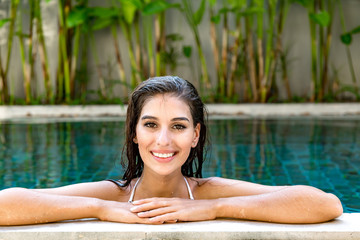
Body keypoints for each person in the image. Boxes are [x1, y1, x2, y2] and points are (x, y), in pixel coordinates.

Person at [0, 76, 342, 226]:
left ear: (195, 135)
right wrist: (100, 209)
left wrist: (212, 209)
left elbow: (325, 204)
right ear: (134, 133)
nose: (163, 140)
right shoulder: (114, 195)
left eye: (178, 126)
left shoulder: (210, 193)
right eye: (150, 125)